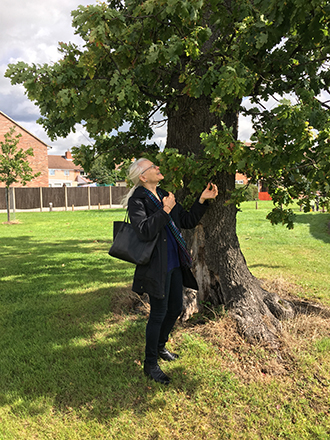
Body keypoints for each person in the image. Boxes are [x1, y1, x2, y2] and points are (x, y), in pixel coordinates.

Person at [124, 158, 218, 385]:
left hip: (175, 261)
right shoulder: (137, 200)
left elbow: (185, 221)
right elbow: (145, 231)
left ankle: (160, 346)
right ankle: (150, 364)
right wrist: (165, 208)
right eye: (152, 167)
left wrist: (202, 200)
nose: (158, 168)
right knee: (158, 312)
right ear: (143, 177)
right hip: (156, 265)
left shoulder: (166, 193)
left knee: (176, 306)